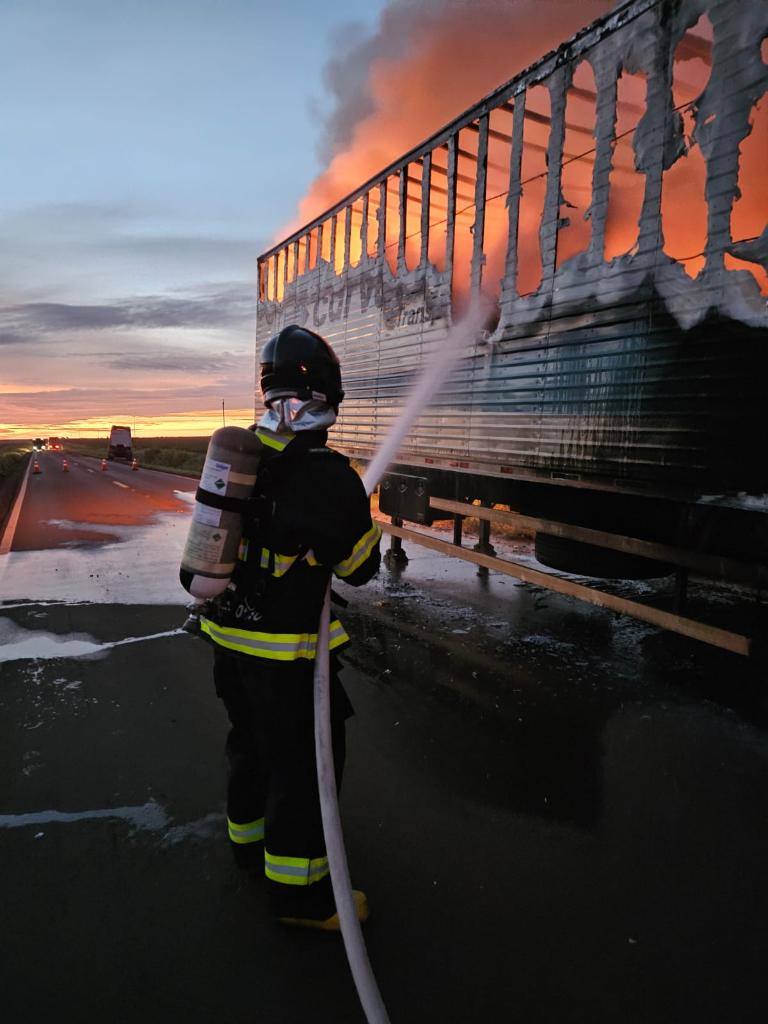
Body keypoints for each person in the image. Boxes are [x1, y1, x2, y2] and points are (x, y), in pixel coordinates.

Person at [200, 324, 381, 930]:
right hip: (286, 655)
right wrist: (362, 521)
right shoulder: (327, 473)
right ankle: (300, 896)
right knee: (303, 766)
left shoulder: (243, 454)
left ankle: (247, 846)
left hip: (228, 639)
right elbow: (359, 568)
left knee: (247, 744)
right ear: (327, 396)